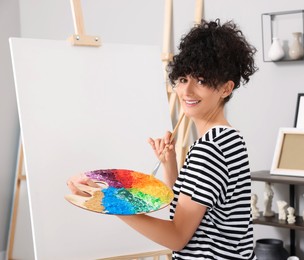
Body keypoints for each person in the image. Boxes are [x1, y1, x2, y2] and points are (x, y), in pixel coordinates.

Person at [68, 18, 258, 259]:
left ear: (226, 89)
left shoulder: (210, 149)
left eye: (201, 81)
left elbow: (177, 237)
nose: (186, 91)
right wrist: (171, 164)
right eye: (182, 79)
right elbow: (188, 211)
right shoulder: (229, 139)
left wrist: (109, 203)